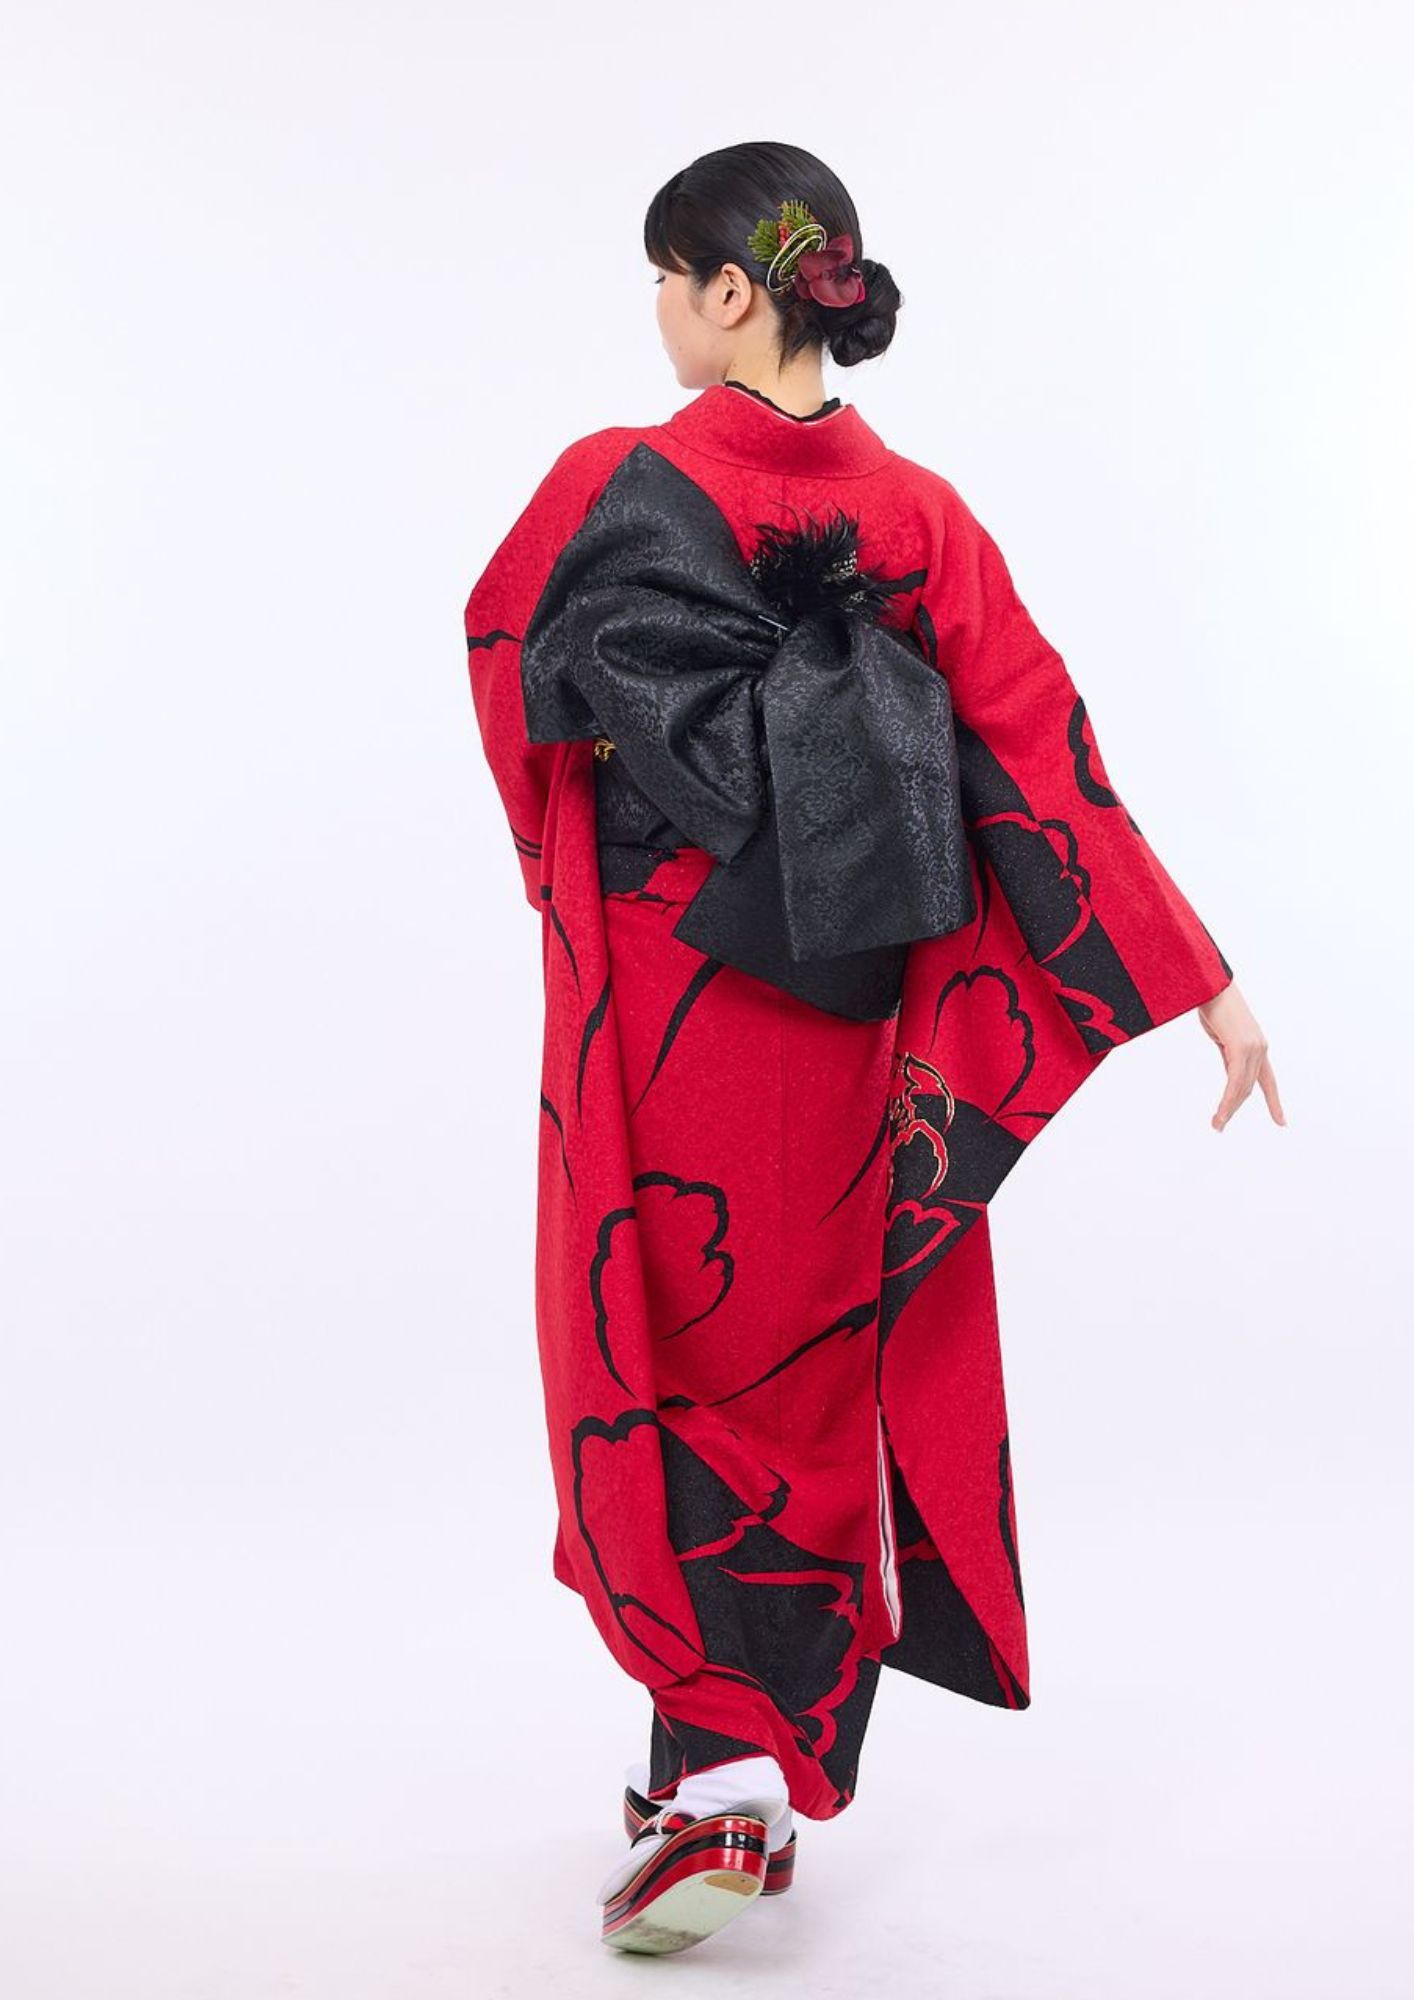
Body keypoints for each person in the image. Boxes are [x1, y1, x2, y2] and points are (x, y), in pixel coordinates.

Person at [462, 140, 1283, 1957]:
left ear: (728, 290)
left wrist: (567, 866)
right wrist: (1193, 977)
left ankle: (720, 1778)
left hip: (666, 999)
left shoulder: (613, 480)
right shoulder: (921, 513)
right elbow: (1039, 747)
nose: (658, 311)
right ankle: (719, 1764)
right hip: (844, 1018)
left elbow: (509, 660)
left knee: (658, 1335)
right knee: (806, 1354)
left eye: (666, 278)